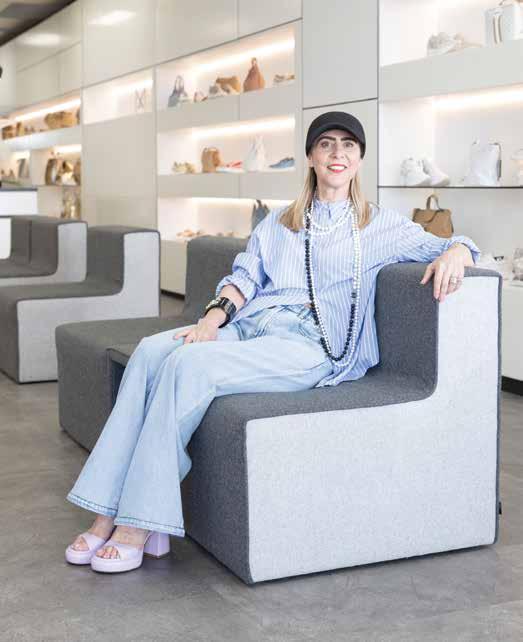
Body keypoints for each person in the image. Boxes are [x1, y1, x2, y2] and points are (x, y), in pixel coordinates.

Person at [65, 111, 480, 573]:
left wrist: (457, 253)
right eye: (326, 143)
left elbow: (458, 243)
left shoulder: (380, 225)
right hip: (250, 326)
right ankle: (106, 510)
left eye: (348, 144)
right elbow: (243, 279)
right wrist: (211, 321)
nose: (337, 153)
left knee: (188, 366)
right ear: (310, 156)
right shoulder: (279, 223)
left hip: (309, 345)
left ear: (360, 159)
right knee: (149, 352)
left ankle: (139, 522)